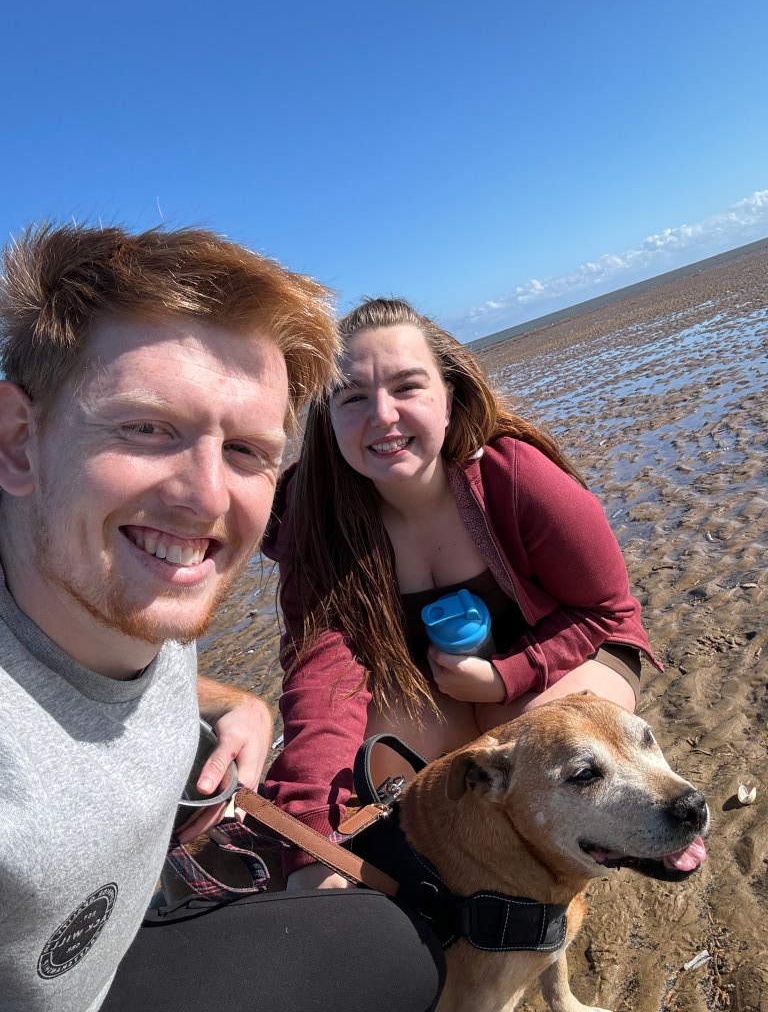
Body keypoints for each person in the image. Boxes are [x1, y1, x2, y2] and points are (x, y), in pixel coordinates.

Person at [0, 233, 444, 1012]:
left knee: (394, 942)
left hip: (126, 943)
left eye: (246, 449)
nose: (206, 498)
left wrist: (233, 702)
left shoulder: (113, 575)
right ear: (18, 441)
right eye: (147, 428)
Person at [262, 297, 662, 889]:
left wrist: (507, 676)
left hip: (572, 652)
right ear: (328, 419)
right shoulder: (316, 522)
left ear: (450, 398)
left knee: (540, 751)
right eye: (352, 397)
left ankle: (562, 886)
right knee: (384, 766)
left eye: (407, 387)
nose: (383, 415)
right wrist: (308, 836)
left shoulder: (515, 478)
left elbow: (605, 608)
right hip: (427, 683)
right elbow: (322, 679)